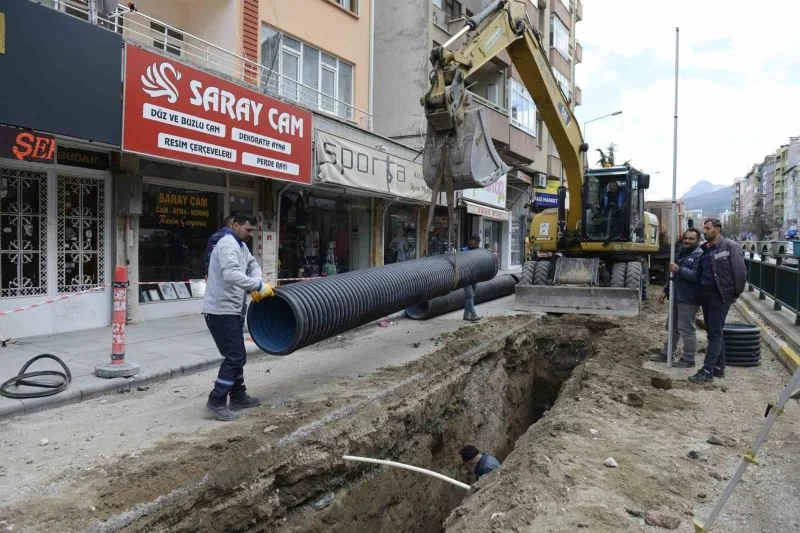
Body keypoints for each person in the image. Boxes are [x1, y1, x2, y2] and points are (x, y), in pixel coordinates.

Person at [204, 214, 274, 421]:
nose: (251, 234)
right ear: (235, 225)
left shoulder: (241, 246)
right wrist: (258, 286)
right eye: (247, 230)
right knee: (235, 357)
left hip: (232, 309)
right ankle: (216, 402)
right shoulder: (227, 245)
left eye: (253, 231)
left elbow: (253, 265)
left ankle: (238, 396)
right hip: (219, 310)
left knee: (238, 355)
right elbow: (231, 274)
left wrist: (256, 279)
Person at [689, 218, 746, 383]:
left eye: (707, 228)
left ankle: (707, 370)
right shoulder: (705, 249)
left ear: (717, 229)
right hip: (706, 296)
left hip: (720, 296)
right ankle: (719, 368)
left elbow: (740, 272)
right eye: (704, 228)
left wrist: (735, 293)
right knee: (715, 331)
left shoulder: (729, 246)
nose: (704, 231)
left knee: (714, 334)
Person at [657, 228, 703, 367]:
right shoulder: (682, 253)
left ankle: (688, 359)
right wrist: (666, 290)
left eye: (691, 239)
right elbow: (673, 276)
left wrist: (679, 270)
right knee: (671, 326)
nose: (687, 241)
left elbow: (697, 276)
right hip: (677, 296)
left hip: (689, 298)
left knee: (686, 328)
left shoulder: (699, 255)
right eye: (686, 238)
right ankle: (667, 353)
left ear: (697, 240)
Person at [462, 235, 482, 322]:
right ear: (471, 241)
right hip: (466, 277)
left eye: (478, 243)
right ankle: (474, 315)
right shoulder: (463, 251)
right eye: (476, 243)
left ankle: (466, 315)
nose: (477, 245)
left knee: (470, 296)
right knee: (470, 295)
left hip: (474, 277)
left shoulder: (477, 251)